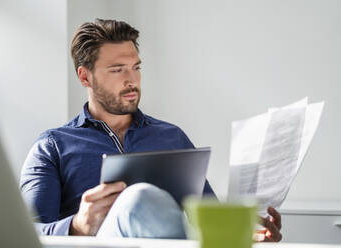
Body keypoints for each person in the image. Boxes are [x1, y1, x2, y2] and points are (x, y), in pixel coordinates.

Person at [20, 19, 282, 241]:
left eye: (136, 67)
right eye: (117, 70)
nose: (132, 80)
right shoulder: (53, 146)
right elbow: (24, 235)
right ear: (85, 76)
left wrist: (244, 235)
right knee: (137, 198)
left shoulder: (172, 137)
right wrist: (77, 226)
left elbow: (208, 220)